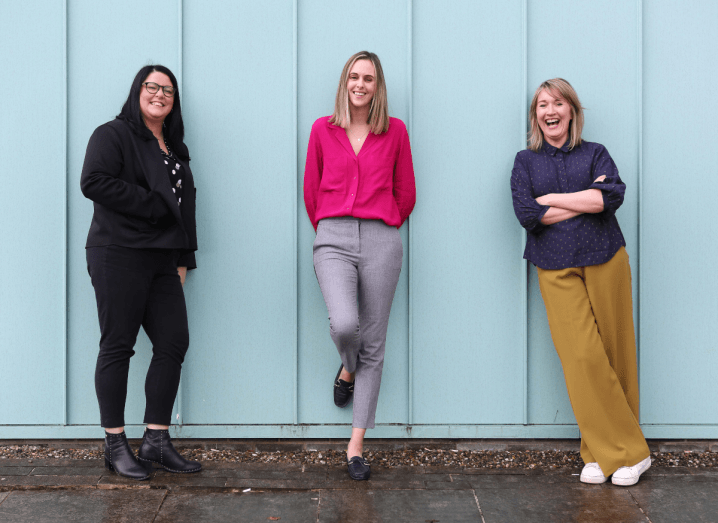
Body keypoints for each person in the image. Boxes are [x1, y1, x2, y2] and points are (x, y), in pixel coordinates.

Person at [511, 78, 651, 486]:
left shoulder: (596, 153)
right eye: (542, 105)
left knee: (615, 352)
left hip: (607, 257)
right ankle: (628, 450)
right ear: (535, 116)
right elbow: (526, 215)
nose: (550, 111)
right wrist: (582, 198)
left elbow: (607, 198)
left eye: (557, 103)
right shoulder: (525, 161)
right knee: (582, 359)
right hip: (553, 265)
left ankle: (600, 453)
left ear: (571, 110)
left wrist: (551, 199)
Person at [81, 65, 201, 480]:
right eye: (152, 86)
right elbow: (93, 181)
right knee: (118, 345)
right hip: (118, 252)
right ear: (137, 91)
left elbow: (185, 207)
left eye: (168, 90)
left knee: (173, 342)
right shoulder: (112, 134)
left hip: (162, 259)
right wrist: (152, 205)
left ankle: (156, 439)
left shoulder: (172, 146)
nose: (159, 94)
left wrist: (185, 258)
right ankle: (115, 444)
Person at [303, 51, 416, 480]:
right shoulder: (322, 129)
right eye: (354, 76)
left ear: (377, 86)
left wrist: (381, 226)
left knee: (375, 342)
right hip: (332, 237)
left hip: (382, 240)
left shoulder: (395, 132)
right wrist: (330, 226)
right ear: (344, 82)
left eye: (369, 78)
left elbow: (406, 191)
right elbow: (311, 189)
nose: (360, 84)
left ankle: (355, 446)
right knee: (345, 325)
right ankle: (348, 367)